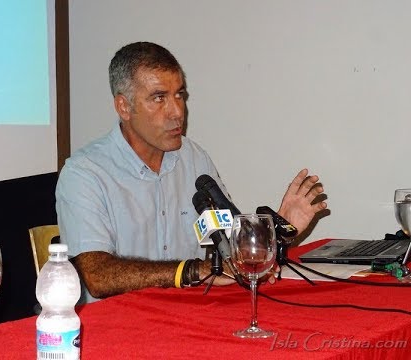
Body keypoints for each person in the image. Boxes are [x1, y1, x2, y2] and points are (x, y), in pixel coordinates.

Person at [55, 41, 327, 303]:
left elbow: (229, 247)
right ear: (124, 107)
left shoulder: (194, 158)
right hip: (115, 328)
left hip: (189, 315)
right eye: (159, 98)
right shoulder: (85, 173)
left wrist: (276, 231)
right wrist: (196, 270)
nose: (177, 112)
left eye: (179, 95)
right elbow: (97, 276)